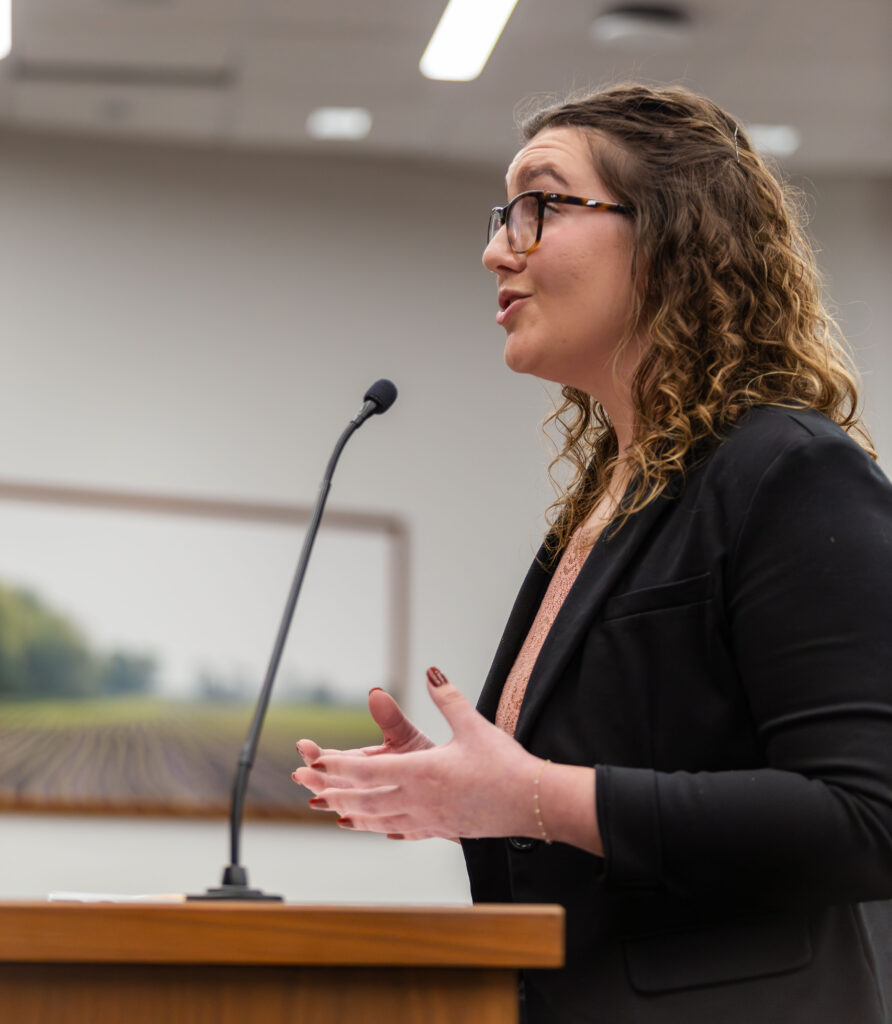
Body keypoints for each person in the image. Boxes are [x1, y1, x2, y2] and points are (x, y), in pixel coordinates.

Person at [293, 84, 892, 1023]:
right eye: (504, 215)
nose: (498, 248)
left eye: (540, 205)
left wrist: (526, 795)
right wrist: (462, 801)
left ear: (672, 236)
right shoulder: (609, 500)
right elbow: (607, 828)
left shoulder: (791, 470)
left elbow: (865, 821)